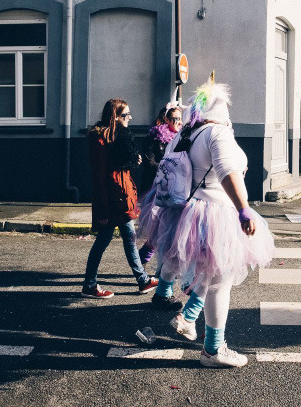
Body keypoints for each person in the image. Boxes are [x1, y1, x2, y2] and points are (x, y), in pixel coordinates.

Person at [142, 78, 275, 367]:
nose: (230, 112)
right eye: (226, 106)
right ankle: (213, 350)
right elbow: (228, 172)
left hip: (185, 213)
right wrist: (243, 210)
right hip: (215, 215)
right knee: (220, 281)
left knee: (210, 274)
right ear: (220, 109)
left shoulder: (185, 134)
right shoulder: (217, 133)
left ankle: (188, 318)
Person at [82, 99, 158, 299]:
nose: (129, 118)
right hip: (112, 201)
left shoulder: (119, 138)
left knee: (129, 239)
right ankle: (90, 285)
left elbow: (120, 167)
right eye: (125, 115)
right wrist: (102, 210)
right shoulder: (100, 140)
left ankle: (142, 280)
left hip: (122, 198)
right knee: (103, 241)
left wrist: (132, 159)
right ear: (114, 116)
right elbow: (99, 177)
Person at [136, 103, 183, 264]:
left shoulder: (180, 139)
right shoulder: (154, 137)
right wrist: (168, 167)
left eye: (180, 119)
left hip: (174, 189)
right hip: (155, 190)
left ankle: (163, 269)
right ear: (165, 119)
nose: (179, 122)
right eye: (175, 119)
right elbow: (150, 162)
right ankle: (142, 265)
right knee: (157, 230)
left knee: (171, 230)